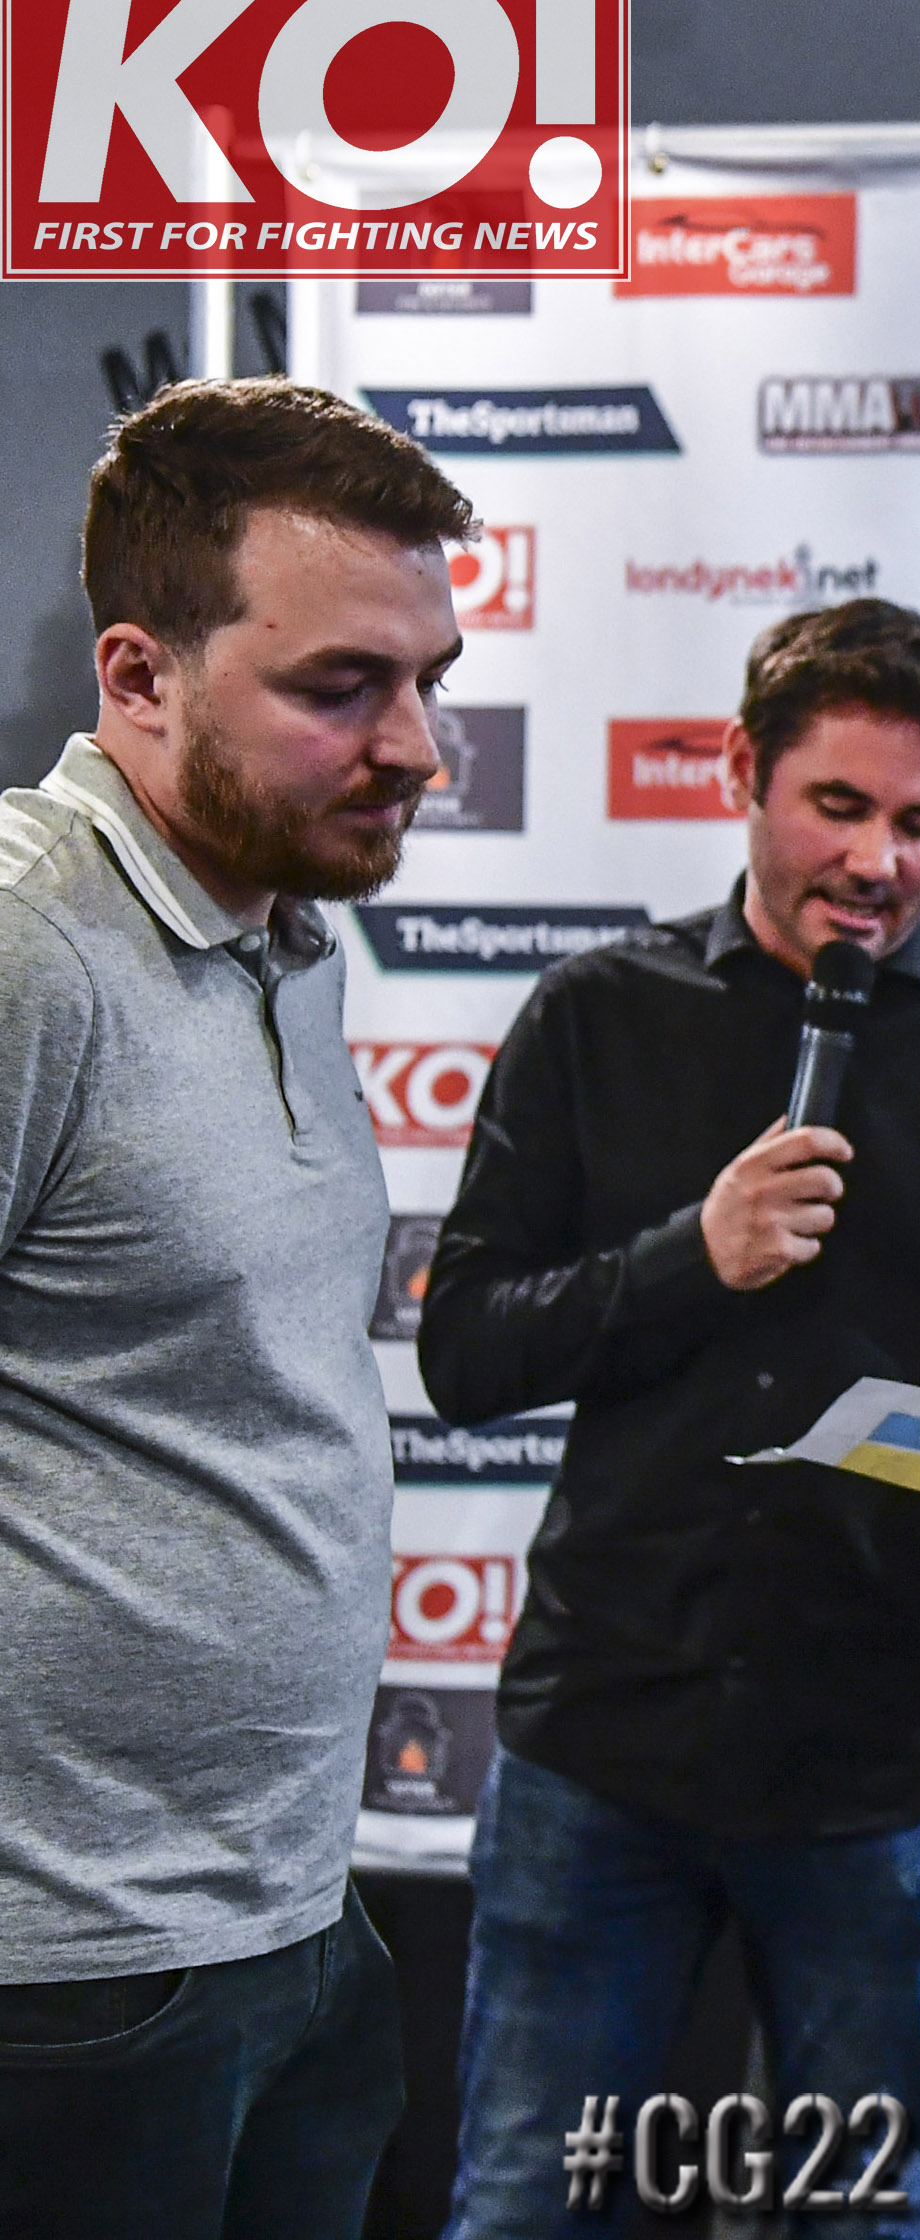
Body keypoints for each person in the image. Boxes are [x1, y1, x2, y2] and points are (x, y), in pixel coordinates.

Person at [421, 600, 920, 2239]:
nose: (877, 861)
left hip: (883, 1757)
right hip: (603, 1739)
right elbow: (466, 1348)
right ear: (741, 773)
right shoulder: (597, 1012)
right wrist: (686, 1259)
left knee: (866, 2213)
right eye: (836, 806)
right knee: (523, 2205)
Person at [0, 378, 468, 2236]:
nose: (416, 746)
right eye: (342, 687)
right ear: (138, 675)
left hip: (293, 1915)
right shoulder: (27, 952)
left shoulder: (282, 923)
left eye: (429, 678)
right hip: (64, 1980)